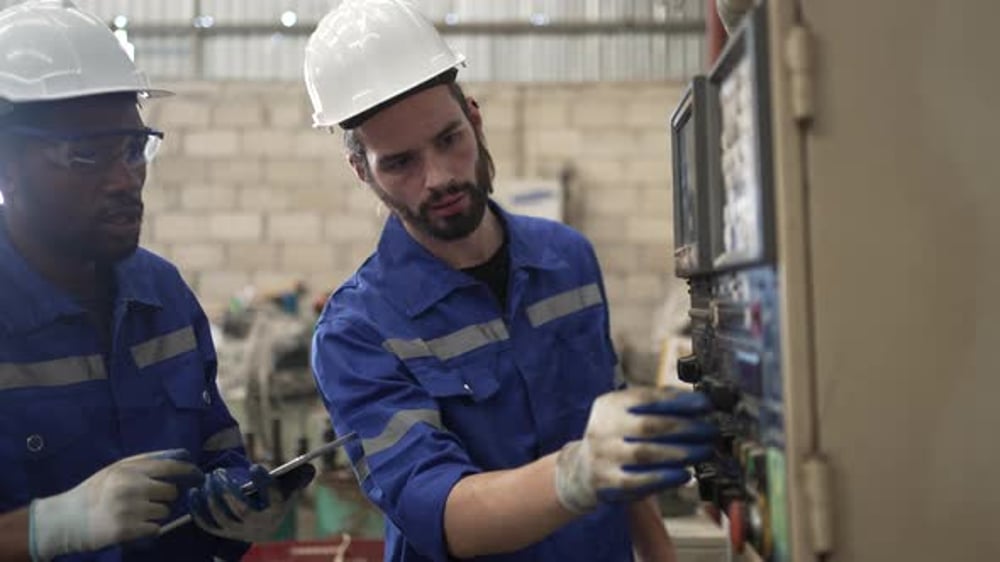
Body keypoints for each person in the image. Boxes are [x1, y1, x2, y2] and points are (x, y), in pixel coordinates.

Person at [303, 1, 717, 560]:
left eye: (449, 139)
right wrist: (578, 471)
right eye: (400, 163)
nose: (440, 177)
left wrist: (658, 551)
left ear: (473, 118)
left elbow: (614, 444)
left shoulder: (567, 258)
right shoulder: (356, 333)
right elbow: (441, 510)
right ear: (363, 171)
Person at [0, 2, 313, 560]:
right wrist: (44, 528)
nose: (126, 179)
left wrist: (239, 507)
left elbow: (218, 456)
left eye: (133, 148)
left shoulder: (163, 296)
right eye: (85, 155)